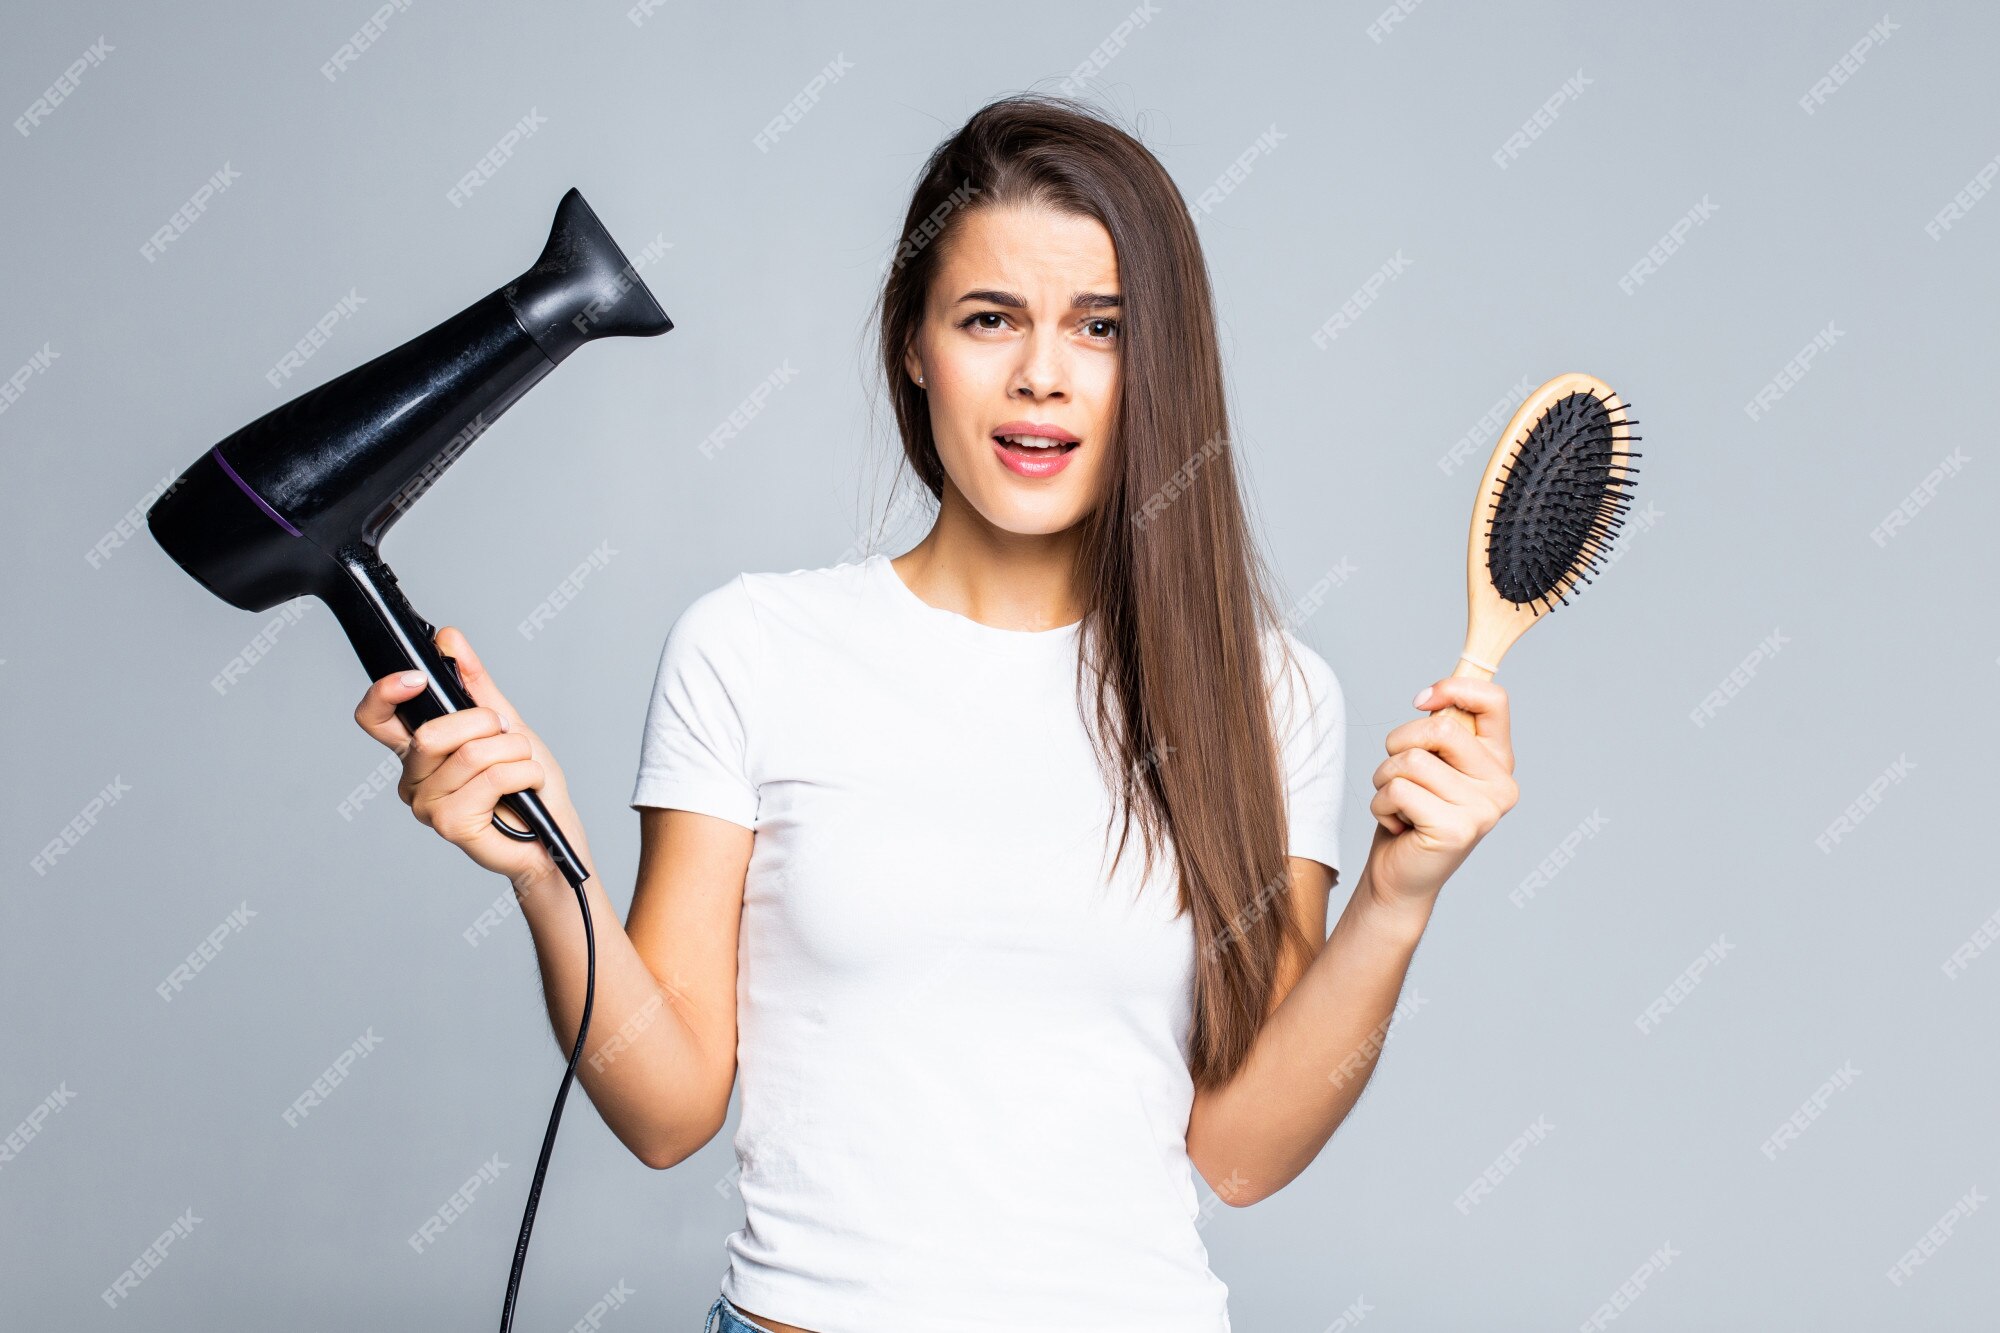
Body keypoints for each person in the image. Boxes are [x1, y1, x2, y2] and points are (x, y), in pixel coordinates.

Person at [353, 92, 1519, 1333]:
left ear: (1159, 362)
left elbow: (1238, 1153)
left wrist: (1398, 896)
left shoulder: (1268, 692)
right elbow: (668, 1109)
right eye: (987, 319)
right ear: (914, 345)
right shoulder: (751, 648)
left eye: (1101, 328)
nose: (1040, 376)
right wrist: (550, 876)